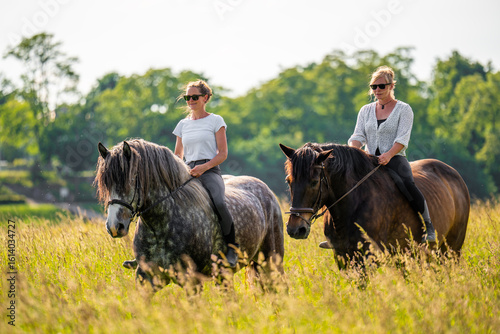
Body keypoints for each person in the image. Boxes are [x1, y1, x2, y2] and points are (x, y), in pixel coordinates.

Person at [319, 66, 436, 249]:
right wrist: (353, 153)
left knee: (408, 185)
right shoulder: (365, 110)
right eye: (374, 87)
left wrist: (388, 155)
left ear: (391, 86)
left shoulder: (404, 109)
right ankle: (338, 234)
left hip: (395, 159)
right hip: (367, 160)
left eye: (381, 86)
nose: (377, 90)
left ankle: (428, 227)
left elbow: (402, 139)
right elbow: (357, 136)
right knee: (343, 187)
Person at [172, 80, 239, 267]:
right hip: (186, 172)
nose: (190, 100)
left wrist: (204, 167)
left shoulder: (216, 121)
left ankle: (232, 248)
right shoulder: (182, 125)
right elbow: (178, 155)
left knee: (218, 202)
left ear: (205, 98)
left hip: (209, 171)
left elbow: (223, 154)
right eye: (187, 97)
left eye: (195, 97)